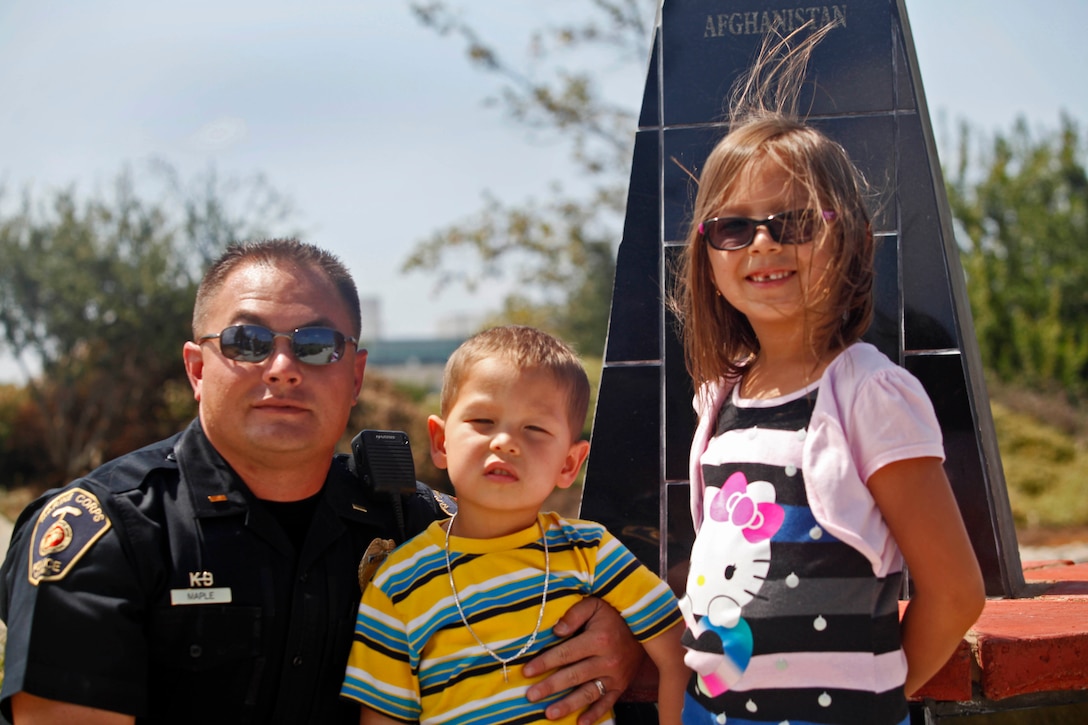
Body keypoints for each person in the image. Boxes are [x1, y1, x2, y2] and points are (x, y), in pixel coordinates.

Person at [0, 239, 643, 725]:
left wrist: (615, 640)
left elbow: (553, 581)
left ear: (356, 376)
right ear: (198, 368)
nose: (281, 367)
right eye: (247, 341)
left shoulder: (418, 524)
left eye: (316, 346)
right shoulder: (110, 531)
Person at [669, 26, 986, 725]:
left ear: (847, 237)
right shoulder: (720, 400)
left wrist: (872, 697)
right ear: (709, 256)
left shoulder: (869, 394)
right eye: (734, 228)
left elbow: (956, 592)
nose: (763, 244)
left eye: (794, 223)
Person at [341, 325, 687, 725]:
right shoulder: (397, 586)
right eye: (483, 420)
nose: (504, 441)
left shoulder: (591, 552)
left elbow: (677, 651)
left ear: (569, 464)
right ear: (440, 442)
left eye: (535, 429)